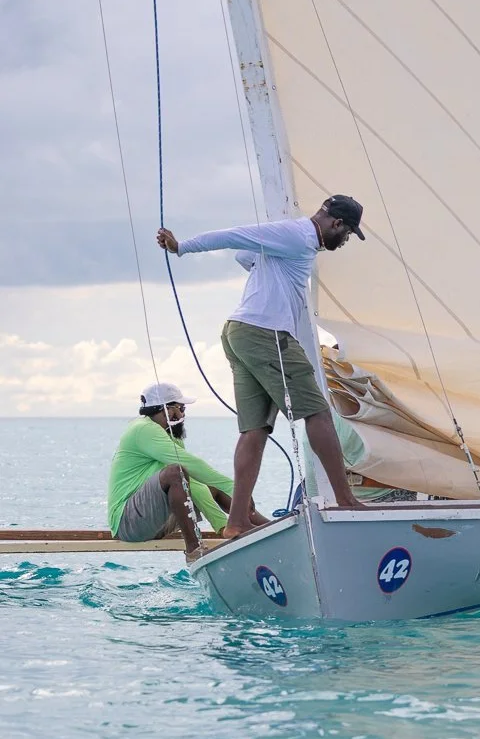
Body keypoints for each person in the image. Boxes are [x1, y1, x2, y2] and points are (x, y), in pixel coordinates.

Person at [157, 196, 366, 538]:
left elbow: (245, 255)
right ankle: (345, 500)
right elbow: (236, 236)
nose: (343, 242)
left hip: (238, 332)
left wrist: (266, 267)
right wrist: (182, 247)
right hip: (265, 333)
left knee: (254, 430)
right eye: (347, 234)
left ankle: (236, 521)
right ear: (336, 224)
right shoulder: (299, 235)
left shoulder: (293, 243)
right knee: (318, 414)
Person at [107, 382, 265, 555]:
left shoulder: (169, 435)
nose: (183, 414)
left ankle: (265, 526)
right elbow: (189, 467)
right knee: (176, 473)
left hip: (153, 523)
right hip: (128, 524)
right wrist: (233, 488)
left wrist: (221, 526)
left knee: (202, 482)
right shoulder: (143, 429)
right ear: (165, 409)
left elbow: (196, 484)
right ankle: (194, 549)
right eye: (180, 408)